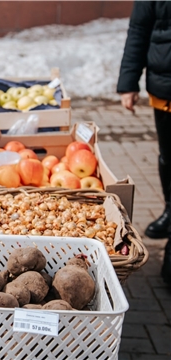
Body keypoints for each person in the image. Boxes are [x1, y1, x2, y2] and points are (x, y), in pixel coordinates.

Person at [117, 0, 171, 284]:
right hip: (166, 87)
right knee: (167, 158)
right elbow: (140, 29)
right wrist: (128, 82)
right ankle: (169, 208)